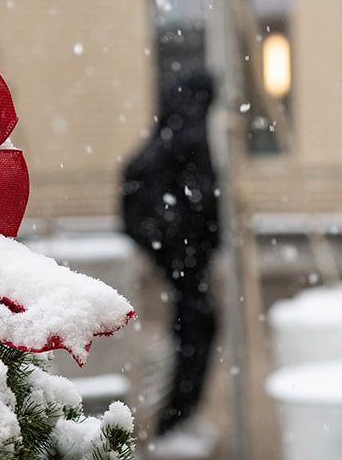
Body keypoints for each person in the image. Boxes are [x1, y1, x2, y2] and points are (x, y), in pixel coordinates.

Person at [121, 67, 221, 452]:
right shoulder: (185, 140)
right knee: (187, 335)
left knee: (191, 332)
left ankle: (177, 418)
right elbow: (196, 203)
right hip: (177, 264)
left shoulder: (171, 137)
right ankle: (171, 423)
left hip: (180, 262)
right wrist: (180, 249)